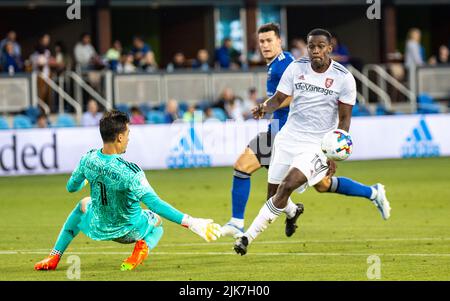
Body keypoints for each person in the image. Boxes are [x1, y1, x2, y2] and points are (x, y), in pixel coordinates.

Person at [233, 28, 391, 255]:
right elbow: (278, 98)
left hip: (316, 144)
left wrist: (331, 153)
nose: (315, 51)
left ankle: (246, 237)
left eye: (320, 46)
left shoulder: (343, 78)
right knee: (275, 195)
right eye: (311, 46)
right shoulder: (296, 68)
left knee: (288, 186)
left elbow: (344, 120)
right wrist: (263, 108)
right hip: (288, 137)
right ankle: (294, 212)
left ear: (329, 48)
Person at [34, 111, 221, 271]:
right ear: (120, 137)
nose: (129, 138)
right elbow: (154, 203)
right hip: (128, 232)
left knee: (82, 204)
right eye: (128, 133)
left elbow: (70, 187)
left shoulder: (87, 160)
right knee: (157, 222)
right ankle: (140, 251)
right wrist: (192, 222)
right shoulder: (130, 171)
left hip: (98, 226)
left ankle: (54, 257)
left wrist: (86, 179)